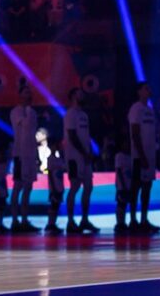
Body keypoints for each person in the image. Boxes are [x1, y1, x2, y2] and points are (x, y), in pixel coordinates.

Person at [63, 87, 98, 234]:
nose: (82, 95)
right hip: (74, 157)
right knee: (75, 187)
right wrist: (83, 152)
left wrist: (89, 152)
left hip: (85, 157)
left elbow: (86, 136)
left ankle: (84, 220)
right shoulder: (70, 114)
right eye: (79, 93)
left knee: (89, 187)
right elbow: (72, 136)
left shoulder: (84, 115)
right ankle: (70, 221)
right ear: (73, 96)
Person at [128, 81, 160, 233]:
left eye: (149, 88)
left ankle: (144, 220)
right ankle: (133, 220)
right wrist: (141, 155)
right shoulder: (136, 108)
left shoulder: (150, 110)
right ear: (139, 91)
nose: (149, 90)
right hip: (138, 156)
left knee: (147, 188)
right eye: (146, 88)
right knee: (136, 188)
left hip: (150, 156)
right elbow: (135, 133)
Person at [10, 86, 38, 231]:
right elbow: (25, 126)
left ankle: (25, 220)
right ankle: (15, 221)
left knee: (28, 187)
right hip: (20, 155)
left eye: (29, 92)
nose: (29, 95)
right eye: (26, 92)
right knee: (18, 187)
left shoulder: (32, 112)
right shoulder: (16, 112)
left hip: (30, 155)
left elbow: (32, 134)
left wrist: (36, 155)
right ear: (20, 95)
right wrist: (27, 109)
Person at [44, 140, 66, 234]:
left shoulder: (59, 159)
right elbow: (49, 173)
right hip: (54, 187)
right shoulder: (50, 159)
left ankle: (53, 223)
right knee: (53, 205)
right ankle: (50, 223)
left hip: (60, 186)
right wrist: (53, 187)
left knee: (56, 205)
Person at [114, 137, 132, 234]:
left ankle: (123, 222)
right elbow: (119, 171)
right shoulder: (119, 156)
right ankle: (119, 222)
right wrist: (122, 184)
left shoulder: (130, 156)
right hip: (121, 185)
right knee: (120, 204)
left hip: (128, 184)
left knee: (124, 204)